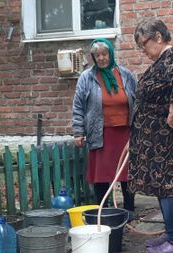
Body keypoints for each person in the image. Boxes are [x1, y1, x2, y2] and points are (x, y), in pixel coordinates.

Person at [130, 18, 173, 253]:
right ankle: (171, 231)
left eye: (143, 45)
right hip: (153, 137)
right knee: (161, 184)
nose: (143, 51)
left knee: (168, 185)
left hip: (166, 137)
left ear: (157, 37)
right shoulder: (162, 61)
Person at [72, 38, 137, 216]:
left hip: (125, 132)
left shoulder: (126, 75)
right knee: (101, 174)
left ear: (111, 54)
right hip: (100, 132)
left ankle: (129, 209)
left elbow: (138, 101)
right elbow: (78, 106)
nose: (101, 58)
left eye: (104, 54)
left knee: (127, 172)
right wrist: (78, 131)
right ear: (93, 57)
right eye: (97, 55)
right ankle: (103, 211)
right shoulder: (87, 77)